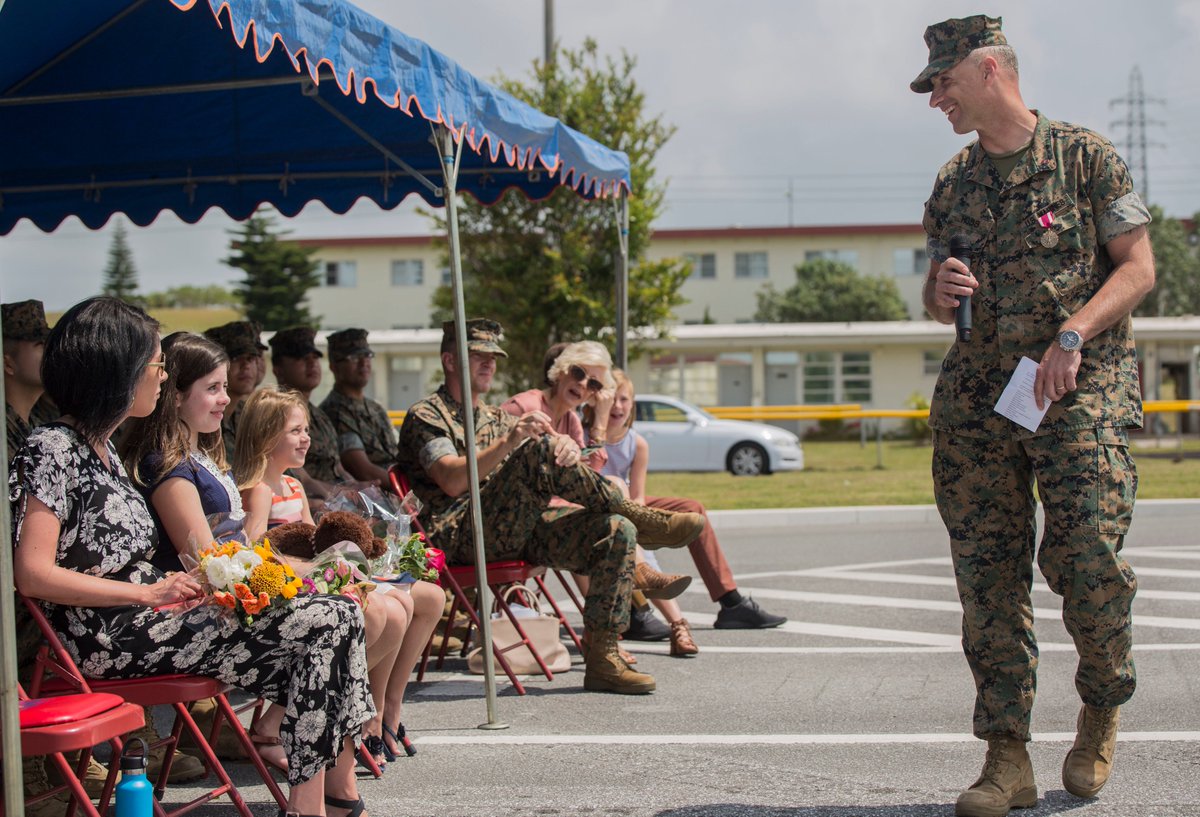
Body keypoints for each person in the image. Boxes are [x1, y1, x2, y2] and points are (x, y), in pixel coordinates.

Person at [912, 15, 1155, 815]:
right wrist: (935, 292)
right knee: (987, 579)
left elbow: (1139, 269)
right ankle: (1006, 756)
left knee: (1085, 552)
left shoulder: (1085, 158)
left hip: (1075, 386)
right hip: (981, 400)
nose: (936, 97)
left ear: (989, 70)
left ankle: (1102, 697)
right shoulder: (953, 182)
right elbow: (935, 293)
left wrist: (1074, 331)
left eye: (944, 81)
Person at [11, 297, 375, 817]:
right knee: (326, 622)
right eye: (155, 364)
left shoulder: (104, 448)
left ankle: (327, 797)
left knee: (336, 616)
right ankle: (317, 804)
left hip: (149, 617)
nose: (161, 377)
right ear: (117, 367)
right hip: (103, 634)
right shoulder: (51, 448)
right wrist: (149, 591)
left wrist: (177, 589)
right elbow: (33, 573)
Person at [396, 318, 706, 695]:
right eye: (478, 357)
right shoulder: (427, 415)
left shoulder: (495, 416)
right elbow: (452, 479)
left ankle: (604, 659)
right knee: (540, 447)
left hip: (514, 528)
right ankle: (641, 517)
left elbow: (534, 473)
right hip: (458, 534)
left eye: (493, 359)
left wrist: (570, 449)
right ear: (449, 360)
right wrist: (516, 441)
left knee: (614, 530)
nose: (489, 365)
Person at [235, 387, 441, 768]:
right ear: (266, 436)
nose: (306, 438)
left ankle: (380, 711)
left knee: (424, 598)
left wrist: (361, 553)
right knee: (390, 612)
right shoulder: (259, 490)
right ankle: (334, 717)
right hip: (288, 591)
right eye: (295, 430)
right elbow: (255, 551)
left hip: (315, 581)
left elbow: (318, 544)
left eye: (306, 429)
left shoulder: (293, 485)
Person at [585, 369, 788, 655]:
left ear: (632, 403)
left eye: (624, 399)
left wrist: (640, 513)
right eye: (611, 399)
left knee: (693, 511)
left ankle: (730, 602)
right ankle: (648, 611)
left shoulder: (636, 442)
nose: (617, 406)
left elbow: (638, 495)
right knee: (629, 532)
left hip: (629, 500)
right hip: (596, 504)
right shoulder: (583, 434)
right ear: (595, 401)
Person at [501, 341, 694, 608]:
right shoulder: (524, 407)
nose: (582, 386)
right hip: (515, 524)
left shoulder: (570, 420)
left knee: (617, 520)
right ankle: (641, 568)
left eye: (593, 384)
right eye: (578, 373)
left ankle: (626, 614)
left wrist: (600, 421)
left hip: (550, 518)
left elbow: (587, 477)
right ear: (560, 370)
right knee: (613, 515)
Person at [268, 326, 350, 491]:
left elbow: (337, 465)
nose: (312, 363)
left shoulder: (319, 415)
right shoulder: (274, 416)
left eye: (315, 357)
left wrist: (356, 486)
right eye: (301, 358)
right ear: (278, 371)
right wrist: (343, 493)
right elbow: (302, 481)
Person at [320, 329, 396, 489]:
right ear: (334, 366)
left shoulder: (375, 407)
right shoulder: (335, 411)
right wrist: (410, 488)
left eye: (367, 356)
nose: (364, 363)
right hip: (374, 499)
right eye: (354, 358)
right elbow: (363, 470)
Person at [203, 320, 267, 463]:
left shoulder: (248, 416)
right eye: (236, 358)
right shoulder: (203, 421)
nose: (246, 366)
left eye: (250, 358)